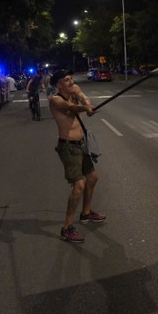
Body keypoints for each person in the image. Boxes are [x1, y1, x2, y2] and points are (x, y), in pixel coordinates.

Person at [48, 69, 105, 243]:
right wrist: (85, 108)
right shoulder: (55, 100)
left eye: (71, 78)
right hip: (68, 147)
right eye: (66, 79)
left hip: (82, 144)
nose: (71, 81)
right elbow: (71, 108)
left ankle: (86, 213)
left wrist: (88, 105)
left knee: (93, 178)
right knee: (79, 185)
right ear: (59, 84)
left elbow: (82, 97)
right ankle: (67, 228)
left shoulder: (74, 89)